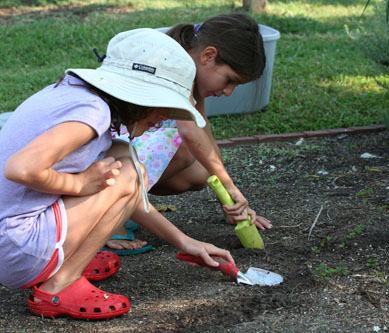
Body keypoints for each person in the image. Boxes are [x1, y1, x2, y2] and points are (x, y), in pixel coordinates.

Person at [0, 28, 235, 320]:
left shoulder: (82, 98)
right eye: (164, 106)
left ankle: (70, 260)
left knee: (125, 157)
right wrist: (79, 182)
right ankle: (61, 284)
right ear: (140, 95)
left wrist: (185, 241)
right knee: (128, 172)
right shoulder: (92, 113)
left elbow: (130, 198)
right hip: (16, 250)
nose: (165, 117)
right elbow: (20, 168)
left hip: (6, 241)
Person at [105, 12, 273, 254]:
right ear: (209, 55)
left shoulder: (191, 72)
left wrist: (229, 202)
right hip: (104, 150)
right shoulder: (172, 66)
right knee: (181, 143)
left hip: (123, 152)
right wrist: (231, 186)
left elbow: (203, 130)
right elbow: (189, 131)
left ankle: (128, 203)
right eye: (229, 80)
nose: (228, 92)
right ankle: (109, 216)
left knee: (202, 171)